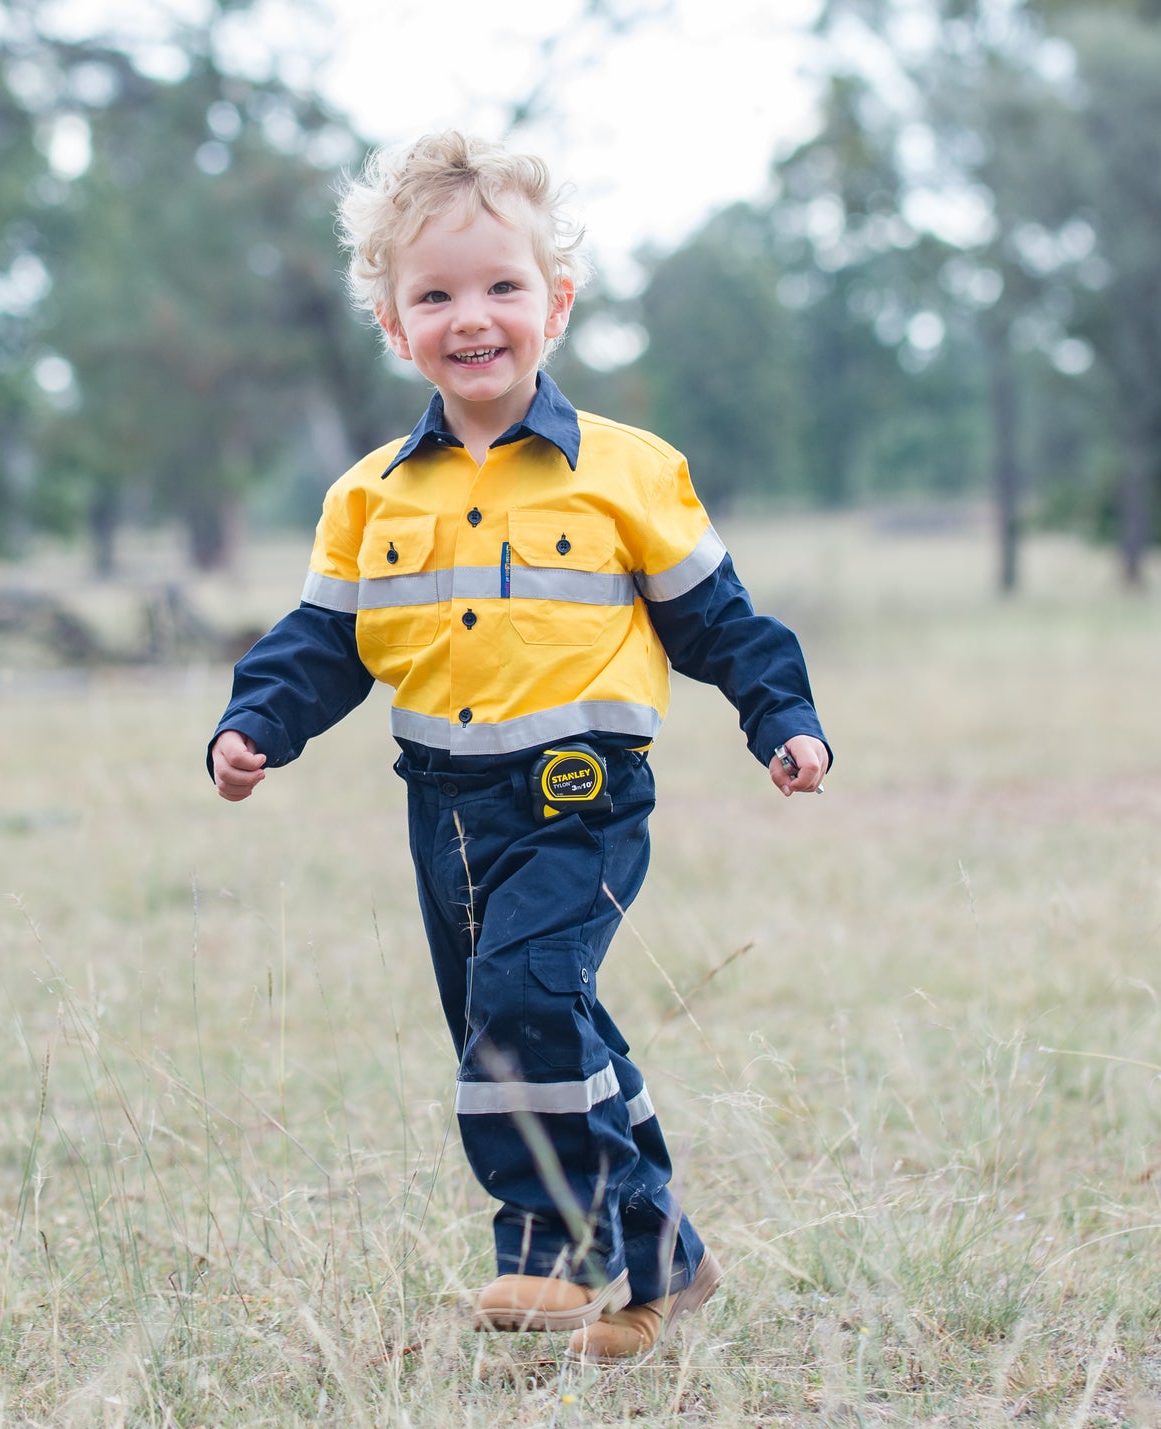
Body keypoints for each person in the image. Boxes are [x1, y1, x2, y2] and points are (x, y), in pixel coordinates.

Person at [208, 131, 830, 1362]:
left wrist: (783, 716)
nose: (470, 317)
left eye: (499, 286)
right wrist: (254, 723)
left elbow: (722, 622)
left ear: (554, 301)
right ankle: (661, 1260)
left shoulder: (628, 473)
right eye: (433, 295)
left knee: (523, 1004)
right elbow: (322, 641)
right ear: (394, 327)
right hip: (440, 806)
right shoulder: (370, 496)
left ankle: (543, 1243)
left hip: (581, 797)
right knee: (541, 1024)